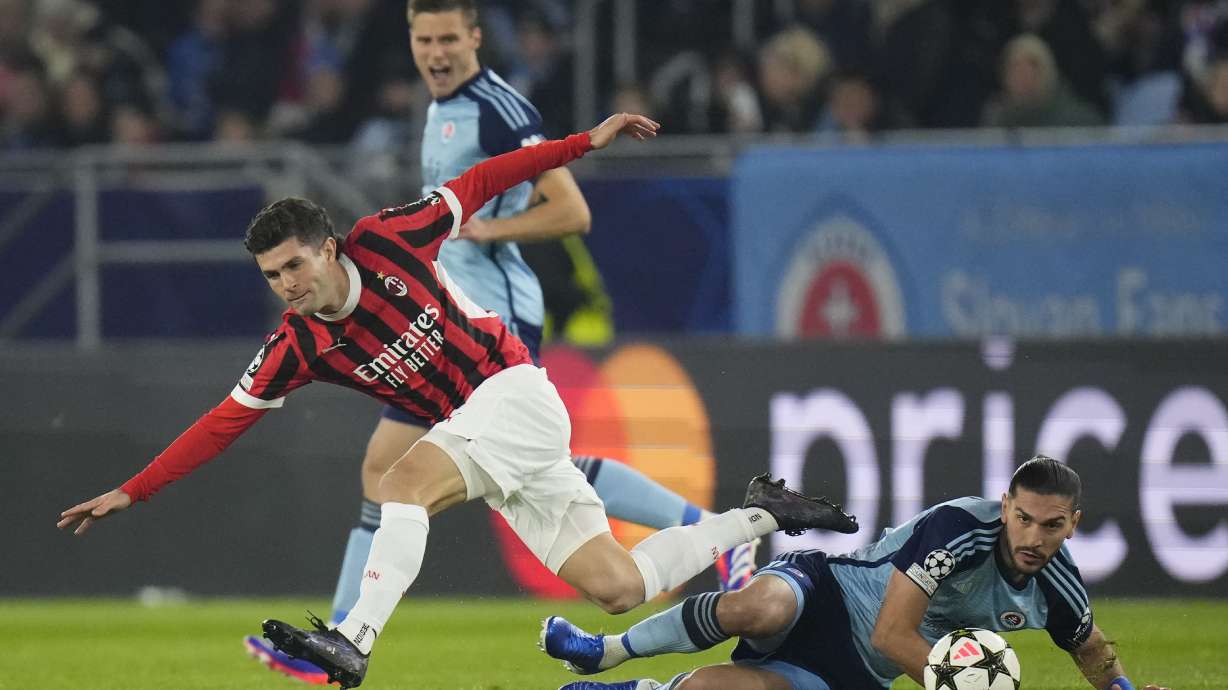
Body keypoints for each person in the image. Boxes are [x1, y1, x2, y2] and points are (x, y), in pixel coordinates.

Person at [57, 112, 861, 690]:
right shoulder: (296, 346)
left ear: (329, 249)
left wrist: (585, 142)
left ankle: (354, 638)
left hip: (514, 392)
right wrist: (134, 489)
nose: (288, 285)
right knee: (618, 587)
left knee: (400, 481)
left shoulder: (390, 237)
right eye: (272, 276)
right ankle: (759, 516)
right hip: (488, 435)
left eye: (296, 266)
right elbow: (220, 424)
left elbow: (484, 179)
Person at [255, 0, 759, 682]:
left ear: (475, 38)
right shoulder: (442, 110)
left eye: (448, 39)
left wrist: (487, 230)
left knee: (403, 469)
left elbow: (571, 210)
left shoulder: (497, 109)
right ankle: (339, 637)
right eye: (423, 40)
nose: (435, 53)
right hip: (439, 324)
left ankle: (342, 639)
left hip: (492, 317)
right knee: (458, 468)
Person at [543, 456, 1170, 690]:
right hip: (827, 593)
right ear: (1006, 507)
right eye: (1024, 519)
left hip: (852, 677)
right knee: (755, 607)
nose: (1034, 538)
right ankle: (606, 651)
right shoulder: (959, 528)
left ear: (1073, 525)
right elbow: (891, 635)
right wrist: (958, 686)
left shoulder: (1058, 587)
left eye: (1051, 526)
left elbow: (1090, 648)